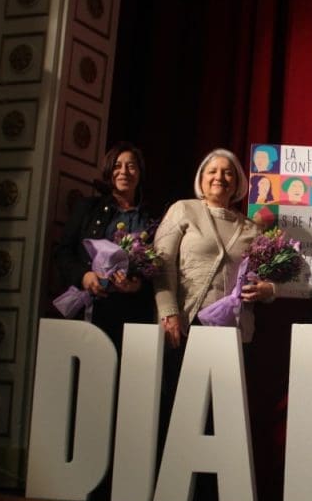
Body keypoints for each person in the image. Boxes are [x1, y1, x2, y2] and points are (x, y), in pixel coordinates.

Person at [153, 148, 276, 348]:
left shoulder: (252, 229)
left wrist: (268, 289)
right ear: (201, 179)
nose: (219, 177)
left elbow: (269, 279)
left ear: (237, 183)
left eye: (228, 173)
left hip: (232, 330)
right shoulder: (183, 209)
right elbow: (161, 264)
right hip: (183, 325)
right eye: (212, 171)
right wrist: (168, 313)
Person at [54, 141, 155, 351]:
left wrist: (137, 285)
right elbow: (63, 252)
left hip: (133, 314)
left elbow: (159, 269)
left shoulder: (151, 218)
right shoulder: (88, 208)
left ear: (140, 173)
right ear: (109, 171)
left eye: (131, 166)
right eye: (117, 166)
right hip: (92, 309)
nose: (124, 172)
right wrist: (84, 276)